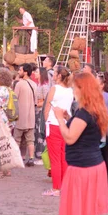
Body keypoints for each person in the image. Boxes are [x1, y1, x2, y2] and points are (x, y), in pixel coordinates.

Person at [55, 72, 108, 215]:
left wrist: (59, 119)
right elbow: (85, 131)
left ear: (82, 89)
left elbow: (70, 138)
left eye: (75, 88)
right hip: (94, 164)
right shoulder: (96, 109)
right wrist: (68, 118)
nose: (73, 91)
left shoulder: (84, 113)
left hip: (81, 167)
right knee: (89, 213)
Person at [42, 66, 74, 197]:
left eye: (55, 73)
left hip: (53, 124)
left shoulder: (54, 89)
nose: (53, 75)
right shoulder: (70, 90)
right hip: (65, 124)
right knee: (63, 157)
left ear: (59, 76)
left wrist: (46, 121)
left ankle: (56, 187)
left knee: (55, 158)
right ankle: (64, 186)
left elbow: (47, 107)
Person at [14, 63, 37, 166]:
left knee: (17, 139)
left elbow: (14, 99)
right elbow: (36, 101)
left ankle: (15, 159)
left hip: (20, 117)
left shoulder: (19, 84)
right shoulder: (34, 84)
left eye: (20, 70)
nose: (19, 72)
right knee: (30, 140)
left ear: (25, 72)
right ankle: (31, 158)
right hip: (31, 117)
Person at [34, 67, 50, 159]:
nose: (35, 73)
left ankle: (41, 154)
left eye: (36, 72)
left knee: (40, 132)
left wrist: (37, 103)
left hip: (41, 111)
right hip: (37, 111)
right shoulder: (39, 85)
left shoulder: (44, 86)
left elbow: (47, 100)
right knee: (37, 133)